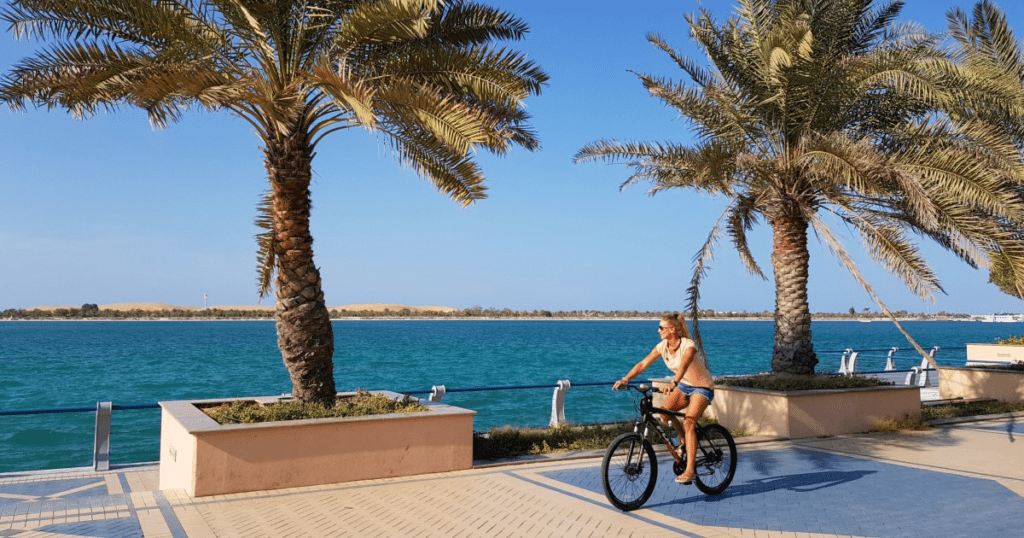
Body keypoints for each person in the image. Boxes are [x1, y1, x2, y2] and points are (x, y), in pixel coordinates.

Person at [612, 313, 715, 485]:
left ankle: (690, 471)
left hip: (702, 387)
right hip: (684, 385)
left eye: (661, 327)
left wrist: (674, 382)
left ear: (672, 329)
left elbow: (684, 365)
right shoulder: (662, 346)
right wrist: (626, 379)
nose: (658, 330)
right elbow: (643, 363)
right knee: (665, 412)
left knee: (689, 422)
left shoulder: (688, 345)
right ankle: (683, 442)